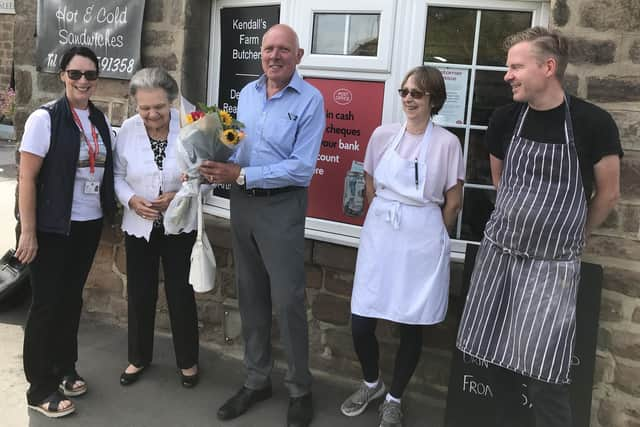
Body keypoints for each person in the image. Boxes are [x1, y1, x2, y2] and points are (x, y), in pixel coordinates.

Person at [456, 27, 622, 427]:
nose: (507, 75)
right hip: (500, 256)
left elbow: (608, 195)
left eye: (516, 66)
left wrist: (573, 235)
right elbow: (503, 183)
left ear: (548, 67)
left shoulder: (592, 123)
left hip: (552, 267)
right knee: (497, 361)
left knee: (546, 376)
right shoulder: (505, 119)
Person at [199, 24, 324, 427]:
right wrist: (212, 154)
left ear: (298, 56)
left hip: (281, 208)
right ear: (261, 54)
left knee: (287, 301)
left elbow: (302, 169)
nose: (274, 56)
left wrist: (239, 175)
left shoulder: (311, 100)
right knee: (250, 294)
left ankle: (300, 389)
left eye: (283, 50)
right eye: (268, 49)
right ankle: (256, 380)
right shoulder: (248, 94)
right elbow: (239, 145)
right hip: (242, 205)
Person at [339, 66, 464, 427]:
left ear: (433, 100)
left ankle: (394, 397)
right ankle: (371, 382)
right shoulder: (382, 135)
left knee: (412, 321)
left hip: (422, 236)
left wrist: (433, 235)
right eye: (404, 92)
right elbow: (370, 180)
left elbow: (453, 201)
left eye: (417, 93)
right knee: (362, 319)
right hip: (382, 234)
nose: (409, 99)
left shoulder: (447, 143)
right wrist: (384, 218)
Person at [16, 46, 116, 418]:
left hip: (86, 226)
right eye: (76, 74)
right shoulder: (46, 119)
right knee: (45, 305)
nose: (83, 81)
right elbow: (26, 177)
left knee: (71, 299)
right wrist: (29, 232)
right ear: (62, 76)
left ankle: (64, 368)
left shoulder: (100, 120)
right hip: (50, 227)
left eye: (90, 75)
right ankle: (38, 386)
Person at [114, 67, 200, 388]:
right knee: (139, 293)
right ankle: (138, 358)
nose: (152, 114)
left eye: (159, 107)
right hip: (140, 225)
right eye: (145, 108)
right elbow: (117, 176)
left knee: (180, 293)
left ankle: (188, 361)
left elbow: (203, 179)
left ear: (171, 102)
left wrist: (179, 195)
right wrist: (131, 199)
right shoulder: (128, 130)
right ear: (136, 106)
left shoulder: (190, 129)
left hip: (179, 227)